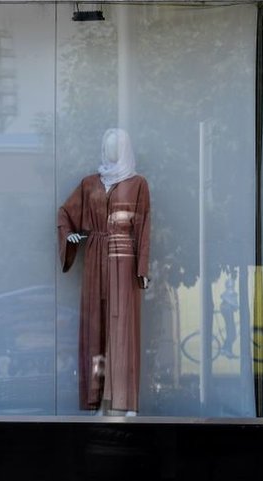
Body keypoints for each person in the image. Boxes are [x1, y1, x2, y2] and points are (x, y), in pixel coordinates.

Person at [58, 128, 150, 417]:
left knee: (122, 327)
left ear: (124, 149)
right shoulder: (89, 184)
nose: (111, 151)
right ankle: (94, 400)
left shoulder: (138, 184)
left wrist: (142, 268)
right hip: (96, 254)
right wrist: (70, 235)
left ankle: (125, 401)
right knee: (95, 326)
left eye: (116, 146)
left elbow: (145, 226)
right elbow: (65, 213)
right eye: (107, 146)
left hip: (124, 258)